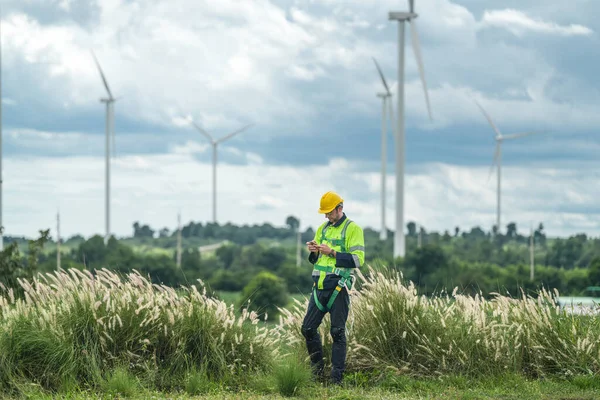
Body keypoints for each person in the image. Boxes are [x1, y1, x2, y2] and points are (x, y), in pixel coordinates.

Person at [301, 191, 365, 385]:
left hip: (338, 288)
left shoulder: (353, 229)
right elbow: (316, 260)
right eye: (324, 213)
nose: (326, 216)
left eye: (329, 212)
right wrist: (313, 252)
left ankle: (336, 380)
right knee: (308, 329)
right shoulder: (322, 229)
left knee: (337, 332)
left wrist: (333, 253)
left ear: (340, 208)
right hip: (318, 287)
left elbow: (357, 260)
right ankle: (317, 373)